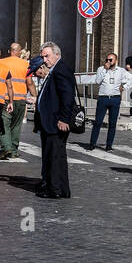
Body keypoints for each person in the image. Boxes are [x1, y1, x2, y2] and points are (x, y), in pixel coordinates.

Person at [33, 41, 76, 199]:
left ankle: (55, 189)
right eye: (43, 56)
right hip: (50, 121)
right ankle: (60, 188)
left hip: (56, 121)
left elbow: (67, 96)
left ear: (57, 54)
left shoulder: (61, 70)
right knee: (54, 155)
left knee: (54, 156)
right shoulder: (54, 70)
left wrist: (64, 118)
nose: (44, 60)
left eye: (47, 56)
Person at [89, 52, 132, 151]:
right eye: (107, 59)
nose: (108, 61)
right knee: (98, 122)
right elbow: (98, 81)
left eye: (111, 60)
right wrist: (105, 69)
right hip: (103, 98)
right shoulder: (101, 69)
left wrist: (124, 87)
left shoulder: (121, 71)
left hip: (115, 98)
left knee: (112, 123)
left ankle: (109, 145)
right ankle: (92, 143)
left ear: (116, 61)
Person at [0, 43, 35, 159]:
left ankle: (7, 148)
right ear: (19, 52)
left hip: (6, 98)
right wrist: (35, 96)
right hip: (21, 99)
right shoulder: (26, 64)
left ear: (10, 51)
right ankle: (13, 150)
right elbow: (29, 82)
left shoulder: (2, 62)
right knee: (16, 126)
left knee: (4, 125)